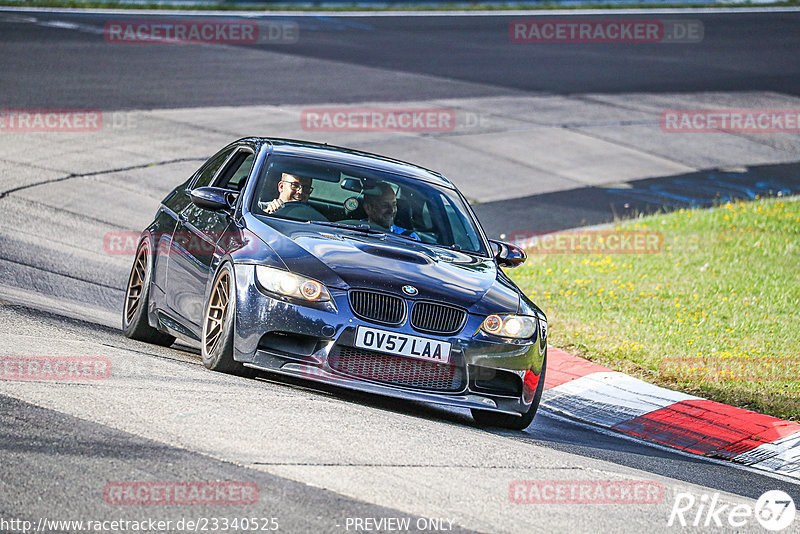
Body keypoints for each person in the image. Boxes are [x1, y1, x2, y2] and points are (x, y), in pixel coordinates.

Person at [259, 172, 326, 221]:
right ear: (281, 187)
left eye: (306, 188)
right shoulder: (258, 208)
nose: (300, 192)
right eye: (295, 185)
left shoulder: (313, 217)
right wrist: (266, 214)